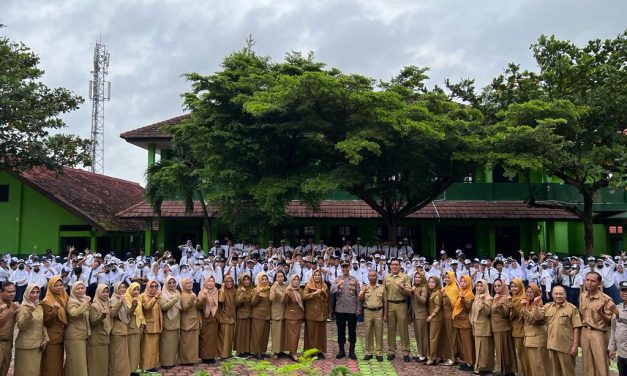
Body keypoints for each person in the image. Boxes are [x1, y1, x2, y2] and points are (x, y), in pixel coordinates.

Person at [580, 271, 616, 376]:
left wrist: (600, 313)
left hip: (599, 334)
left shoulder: (606, 299)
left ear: (599, 284)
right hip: (585, 332)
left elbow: (610, 323)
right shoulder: (582, 296)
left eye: (593, 281)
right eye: (587, 280)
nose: (589, 283)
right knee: (587, 364)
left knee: (601, 365)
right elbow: (581, 314)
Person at [546, 285, 582, 376]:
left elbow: (576, 328)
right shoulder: (547, 307)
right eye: (556, 294)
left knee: (568, 372)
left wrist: (575, 345)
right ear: (552, 295)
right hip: (552, 345)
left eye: (561, 294)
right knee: (554, 372)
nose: (558, 296)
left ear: (565, 295)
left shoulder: (572, 309)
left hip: (566, 347)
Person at [14, 283, 48, 376]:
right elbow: (21, 326)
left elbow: (42, 323)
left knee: (34, 372)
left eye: (37, 292)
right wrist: (29, 313)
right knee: (24, 372)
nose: (35, 295)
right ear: (27, 293)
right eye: (32, 292)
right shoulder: (23, 308)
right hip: (26, 345)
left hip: (37, 345)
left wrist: (46, 338)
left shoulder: (39, 306)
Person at [383, 258, 412, 361]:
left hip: (401, 304)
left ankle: (405, 352)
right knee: (391, 329)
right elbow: (384, 296)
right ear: (390, 266)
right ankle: (391, 351)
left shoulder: (405, 277)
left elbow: (409, 293)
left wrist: (401, 286)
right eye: (392, 264)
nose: (394, 266)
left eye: (396, 264)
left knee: (403, 329)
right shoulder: (386, 277)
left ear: (400, 266)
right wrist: (385, 313)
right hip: (390, 304)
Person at [331, 260, 361, 360]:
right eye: (343, 267)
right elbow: (331, 290)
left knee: (352, 330)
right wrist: (337, 285)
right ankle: (341, 351)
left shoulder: (355, 280)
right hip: (340, 309)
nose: (345, 269)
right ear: (341, 268)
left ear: (350, 268)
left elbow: (359, 296)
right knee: (340, 330)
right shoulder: (337, 279)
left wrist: (359, 308)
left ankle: (352, 351)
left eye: (347, 267)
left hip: (352, 309)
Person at [520, 284, 551, 376]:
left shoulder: (540, 305)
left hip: (538, 340)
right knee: (534, 366)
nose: (529, 294)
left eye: (531, 292)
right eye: (527, 292)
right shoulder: (527, 304)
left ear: (537, 293)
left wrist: (524, 309)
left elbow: (535, 319)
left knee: (540, 365)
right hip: (529, 339)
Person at [40, 276, 68, 376]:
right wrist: (55, 311)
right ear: (50, 287)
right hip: (52, 338)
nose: (59, 287)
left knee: (58, 364)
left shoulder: (64, 298)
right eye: (56, 286)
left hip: (61, 337)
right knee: (51, 365)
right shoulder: (47, 301)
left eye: (61, 285)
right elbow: (46, 322)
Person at [64, 281, 91, 376]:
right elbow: (74, 313)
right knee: (77, 364)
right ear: (73, 290)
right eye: (77, 288)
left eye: (82, 288)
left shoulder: (83, 300)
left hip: (82, 336)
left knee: (79, 363)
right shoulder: (72, 301)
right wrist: (86, 304)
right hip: (74, 337)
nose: (80, 290)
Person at [491, 278, 517, 375]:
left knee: (505, 350)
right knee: (500, 350)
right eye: (495, 286)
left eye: (499, 285)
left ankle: (508, 371)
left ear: (503, 286)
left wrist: (499, 305)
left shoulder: (506, 297)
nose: (497, 287)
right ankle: (503, 370)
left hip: (503, 327)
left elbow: (506, 313)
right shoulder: (496, 296)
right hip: (496, 327)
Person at [470, 279, 494, 375]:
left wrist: (483, 302)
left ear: (485, 287)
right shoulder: (476, 297)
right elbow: (472, 311)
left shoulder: (489, 298)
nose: (479, 288)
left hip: (484, 327)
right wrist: (472, 320)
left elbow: (487, 312)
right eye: (478, 286)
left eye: (481, 286)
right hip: (476, 326)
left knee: (485, 348)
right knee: (478, 348)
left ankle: (484, 367)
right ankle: (480, 366)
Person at [360, 269, 385, 362]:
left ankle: (379, 353)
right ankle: (368, 352)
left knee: (379, 333)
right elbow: (360, 298)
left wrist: (385, 315)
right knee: (368, 333)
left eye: (374, 275)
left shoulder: (381, 287)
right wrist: (363, 291)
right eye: (370, 275)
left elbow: (385, 301)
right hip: (367, 312)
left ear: (377, 277)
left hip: (378, 311)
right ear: (368, 277)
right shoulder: (364, 287)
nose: (372, 277)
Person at [303, 269, 329, 358]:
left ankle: (320, 351)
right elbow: (304, 296)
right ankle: (311, 351)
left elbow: (327, 298)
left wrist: (323, 292)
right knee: (312, 333)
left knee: (321, 333)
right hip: (312, 312)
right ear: (312, 276)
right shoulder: (309, 285)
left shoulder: (324, 285)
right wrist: (314, 293)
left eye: (319, 275)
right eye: (315, 275)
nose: (317, 277)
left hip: (322, 312)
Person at [88, 284, 112, 376]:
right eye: (103, 292)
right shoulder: (94, 306)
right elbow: (93, 323)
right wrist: (102, 316)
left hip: (105, 337)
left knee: (103, 363)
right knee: (96, 364)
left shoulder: (107, 303)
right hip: (97, 339)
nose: (105, 294)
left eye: (107, 292)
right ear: (98, 293)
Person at [109, 282, 131, 376]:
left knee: (123, 355)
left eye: (124, 287)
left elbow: (127, 314)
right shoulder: (113, 299)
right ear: (116, 289)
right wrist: (120, 302)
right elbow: (113, 314)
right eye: (120, 287)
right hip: (117, 330)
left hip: (123, 329)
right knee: (117, 355)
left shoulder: (123, 299)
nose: (122, 289)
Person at [453, 274, 475, 371]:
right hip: (460, 321)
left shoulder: (469, 294)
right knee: (464, 344)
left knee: (468, 344)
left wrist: (462, 299)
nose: (462, 283)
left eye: (464, 281)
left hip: (465, 322)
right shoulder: (461, 292)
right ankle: (467, 361)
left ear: (469, 282)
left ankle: (470, 363)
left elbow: (467, 309)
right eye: (461, 281)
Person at [159, 276, 181, 368]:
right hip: (168, 322)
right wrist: (174, 300)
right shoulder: (163, 294)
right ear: (166, 284)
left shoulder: (177, 292)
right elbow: (163, 307)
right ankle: (165, 363)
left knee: (174, 344)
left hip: (176, 321)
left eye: (174, 282)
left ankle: (172, 362)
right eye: (170, 283)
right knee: (166, 345)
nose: (172, 284)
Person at [509, 278, 530, 376]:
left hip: (521, 331)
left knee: (524, 356)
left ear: (520, 287)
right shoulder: (513, 297)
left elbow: (521, 315)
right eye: (512, 286)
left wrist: (512, 307)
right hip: (515, 329)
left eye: (515, 286)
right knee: (520, 356)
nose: (513, 288)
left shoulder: (524, 299)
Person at [140, 279, 162, 371]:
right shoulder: (144, 296)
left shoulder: (156, 296)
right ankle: (146, 366)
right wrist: (155, 298)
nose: (154, 288)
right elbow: (147, 307)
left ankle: (152, 365)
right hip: (148, 327)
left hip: (156, 325)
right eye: (152, 286)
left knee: (154, 348)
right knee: (147, 349)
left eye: (156, 286)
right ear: (148, 287)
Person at [198, 276, 220, 364]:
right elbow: (198, 306)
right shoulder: (202, 292)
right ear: (205, 283)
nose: (210, 283)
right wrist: (203, 297)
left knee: (213, 339)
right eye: (208, 281)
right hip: (205, 318)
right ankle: (205, 357)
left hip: (214, 318)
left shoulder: (216, 291)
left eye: (212, 281)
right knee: (205, 339)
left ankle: (211, 356)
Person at [283, 274, 304, 362]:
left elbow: (304, 301)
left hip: (298, 316)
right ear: (291, 281)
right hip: (290, 316)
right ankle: (294, 353)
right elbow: (283, 301)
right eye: (294, 279)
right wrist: (286, 293)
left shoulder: (300, 290)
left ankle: (292, 351)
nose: (296, 281)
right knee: (293, 336)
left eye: (297, 280)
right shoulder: (289, 290)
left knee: (296, 336)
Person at [179, 277, 200, 365]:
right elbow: (185, 309)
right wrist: (191, 299)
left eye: (190, 283)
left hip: (195, 320)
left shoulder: (193, 293)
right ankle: (185, 360)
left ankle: (192, 359)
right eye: (187, 283)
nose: (189, 284)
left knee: (193, 342)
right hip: (187, 321)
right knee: (186, 342)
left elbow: (197, 308)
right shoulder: (183, 295)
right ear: (183, 285)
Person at [250, 272, 272, 358]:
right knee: (257, 334)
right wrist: (257, 295)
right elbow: (252, 303)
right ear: (259, 280)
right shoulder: (256, 289)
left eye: (266, 279)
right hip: (258, 315)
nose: (264, 281)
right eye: (262, 279)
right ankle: (257, 352)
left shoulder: (269, 289)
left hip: (267, 314)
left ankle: (263, 351)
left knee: (265, 335)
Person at [0, 282, 18, 376]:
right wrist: (10, 311)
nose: (12, 294)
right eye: (9, 291)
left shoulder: (12, 304)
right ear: (1, 292)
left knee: (4, 371)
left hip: (9, 343)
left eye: (14, 291)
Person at [440, 271, 458, 366]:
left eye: (448, 277)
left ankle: (453, 357)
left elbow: (453, 305)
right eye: (445, 277)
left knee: (452, 337)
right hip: (444, 315)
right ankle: (447, 356)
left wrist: (445, 295)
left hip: (450, 316)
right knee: (446, 337)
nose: (447, 279)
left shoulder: (454, 289)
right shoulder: (446, 287)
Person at [125, 282, 143, 372]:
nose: (136, 291)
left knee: (136, 350)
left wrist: (143, 324)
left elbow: (141, 313)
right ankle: (130, 370)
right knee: (131, 350)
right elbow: (128, 313)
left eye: (138, 289)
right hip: (131, 327)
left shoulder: (139, 297)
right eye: (134, 289)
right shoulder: (126, 298)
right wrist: (134, 304)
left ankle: (135, 369)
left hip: (138, 326)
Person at [610, 281, 627, 376]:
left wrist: (618, 315)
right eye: (623, 290)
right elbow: (613, 330)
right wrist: (612, 348)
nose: (625, 293)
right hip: (621, 354)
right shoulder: (617, 308)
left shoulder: (616, 311)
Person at [426, 276, 444, 366]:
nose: (431, 284)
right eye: (429, 282)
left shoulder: (437, 293)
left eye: (433, 282)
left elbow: (438, 306)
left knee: (433, 338)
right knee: (436, 338)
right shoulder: (433, 292)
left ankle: (432, 358)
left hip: (436, 319)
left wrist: (431, 315)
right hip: (434, 318)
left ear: (436, 283)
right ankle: (437, 356)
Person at [218, 274, 236, 359]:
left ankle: (228, 353)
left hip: (232, 316)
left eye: (231, 281)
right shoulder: (221, 290)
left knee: (230, 337)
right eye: (227, 281)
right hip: (224, 316)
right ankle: (223, 354)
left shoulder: (233, 291)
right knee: (224, 337)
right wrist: (222, 288)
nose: (229, 283)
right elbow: (221, 300)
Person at [269, 270, 287, 359]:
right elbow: (271, 299)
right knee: (276, 333)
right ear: (275, 278)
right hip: (276, 312)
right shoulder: (273, 286)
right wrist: (274, 288)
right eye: (278, 276)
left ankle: (281, 350)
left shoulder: (286, 286)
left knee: (283, 333)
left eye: (282, 276)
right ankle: (275, 351)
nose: (280, 278)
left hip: (285, 312)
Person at [235, 274, 253, 357]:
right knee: (241, 334)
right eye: (244, 280)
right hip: (241, 314)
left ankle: (246, 350)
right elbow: (237, 303)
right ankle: (239, 351)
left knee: (247, 334)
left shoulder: (251, 289)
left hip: (249, 314)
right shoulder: (239, 290)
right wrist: (242, 293)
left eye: (248, 279)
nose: (246, 281)